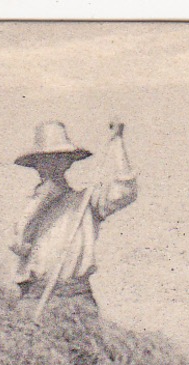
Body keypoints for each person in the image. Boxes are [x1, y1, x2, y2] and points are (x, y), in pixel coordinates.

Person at [10, 120, 137, 318]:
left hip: (75, 301)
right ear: (36, 165)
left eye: (58, 159)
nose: (51, 166)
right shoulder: (29, 206)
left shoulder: (85, 202)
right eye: (45, 160)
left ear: (67, 163)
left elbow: (125, 192)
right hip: (34, 301)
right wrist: (43, 200)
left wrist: (118, 143)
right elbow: (18, 244)